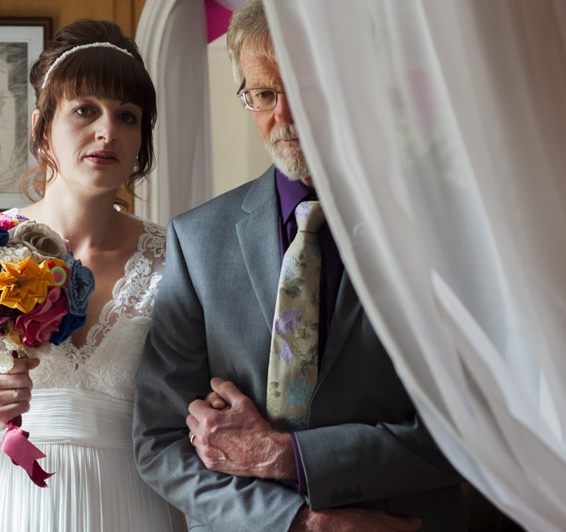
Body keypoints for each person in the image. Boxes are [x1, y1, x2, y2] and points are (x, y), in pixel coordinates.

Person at [132, 2, 466, 531]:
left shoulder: (439, 234)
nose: (282, 117)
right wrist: (302, 522)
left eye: (307, 92)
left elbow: (474, 433)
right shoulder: (196, 240)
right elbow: (160, 441)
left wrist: (291, 456)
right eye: (263, 94)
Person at [0, 19, 187, 531]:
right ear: (42, 125)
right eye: (85, 110)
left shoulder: (177, 255)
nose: (107, 131)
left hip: (127, 507)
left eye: (127, 116)